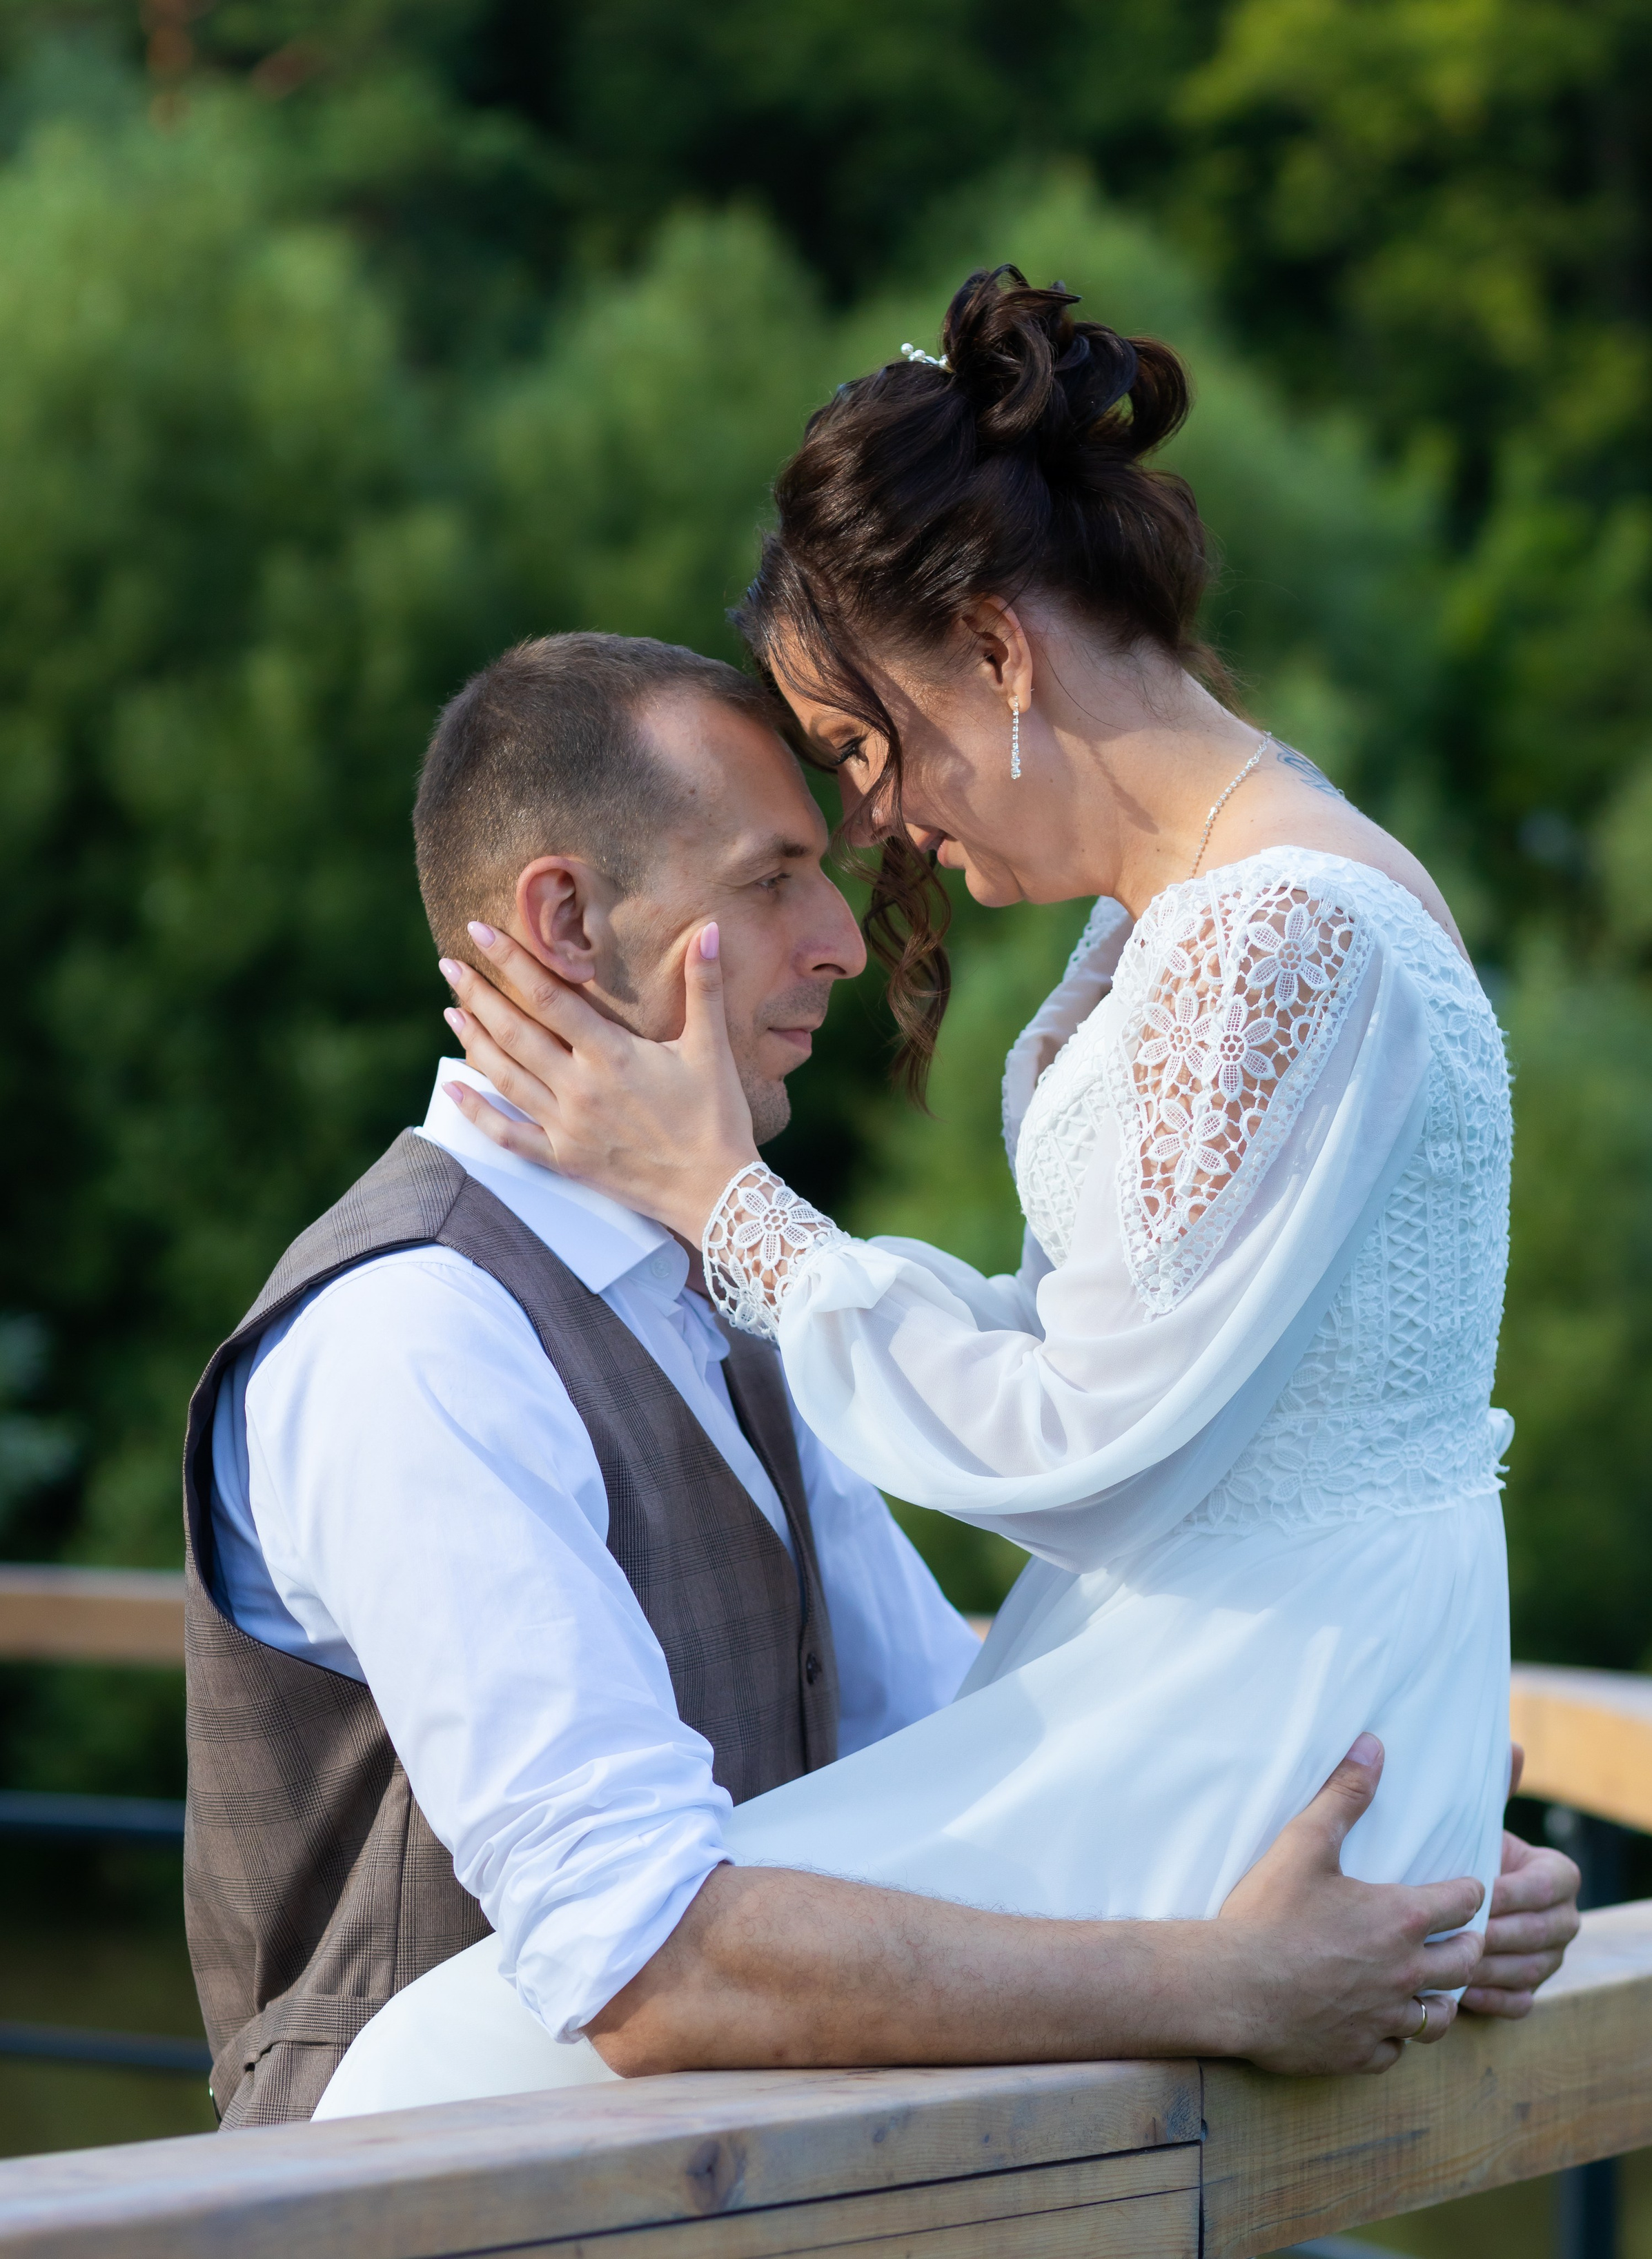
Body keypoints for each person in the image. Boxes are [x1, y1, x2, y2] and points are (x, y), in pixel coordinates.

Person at [379, 268, 1580, 2107]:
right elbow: (1101, 1341)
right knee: (482, 2044)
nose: (876, 824)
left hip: (1256, 1718)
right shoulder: (1199, 912)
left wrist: (730, 1208)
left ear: (998, 655)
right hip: (1250, 1685)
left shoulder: (1277, 933)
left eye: (866, 745)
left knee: (455, 2063)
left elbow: (1083, 1437)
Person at [187, 630, 1570, 2131]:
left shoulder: (716, 1296)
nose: (841, 940)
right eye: (771, 880)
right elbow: (644, 1961)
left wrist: (1372, 1877)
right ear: (567, 922)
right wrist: (1225, 1978)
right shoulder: (415, 1332)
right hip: (412, 2212)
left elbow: (950, 1747)